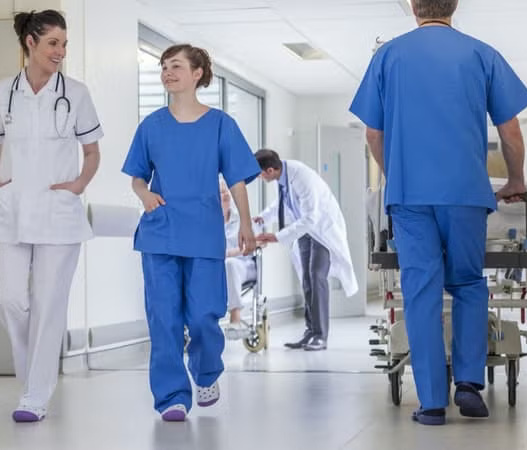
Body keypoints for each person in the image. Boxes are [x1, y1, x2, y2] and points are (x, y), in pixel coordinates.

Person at [349, 0, 527, 426]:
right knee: (469, 283)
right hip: (466, 193)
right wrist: (516, 180)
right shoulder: (482, 54)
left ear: (414, 6)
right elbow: (510, 132)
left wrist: (397, 174)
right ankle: (468, 383)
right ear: (455, 5)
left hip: (411, 196)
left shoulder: (388, 56)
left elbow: (373, 133)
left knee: (421, 292)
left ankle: (432, 403)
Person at [0, 10, 104, 423]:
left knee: (49, 305)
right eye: (53, 43)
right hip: (11, 209)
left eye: (64, 44)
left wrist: (80, 184)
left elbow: (91, 150)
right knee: (10, 299)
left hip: (58, 213)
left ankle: (34, 395)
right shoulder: (3, 92)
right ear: (30, 42)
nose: (61, 52)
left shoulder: (77, 93)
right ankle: (33, 373)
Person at [122, 44, 260, 422]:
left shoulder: (220, 125)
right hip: (160, 233)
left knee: (202, 315)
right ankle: (171, 397)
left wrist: (246, 224)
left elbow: (237, 180)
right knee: (163, 317)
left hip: (203, 234)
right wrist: (144, 193)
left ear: (197, 73)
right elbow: (136, 174)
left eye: (176, 66)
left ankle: (205, 372)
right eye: (164, 67)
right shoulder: (151, 125)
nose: (167, 72)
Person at [254, 150, 358, 351]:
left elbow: (312, 218)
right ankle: (310, 331)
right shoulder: (283, 176)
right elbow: (283, 203)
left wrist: (277, 237)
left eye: (260, 174)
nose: (259, 178)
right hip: (303, 231)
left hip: (321, 230)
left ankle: (321, 336)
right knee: (306, 280)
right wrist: (263, 218)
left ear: (269, 170)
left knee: (316, 275)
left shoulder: (302, 177)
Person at [220, 180, 256, 340]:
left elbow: (253, 243)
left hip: (244, 266)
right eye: (221, 192)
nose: (226, 194)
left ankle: (235, 316)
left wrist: (229, 253)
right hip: (218, 269)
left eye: (226, 191)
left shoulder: (242, 219)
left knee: (230, 264)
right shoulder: (208, 223)